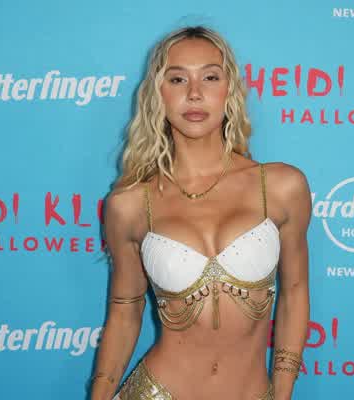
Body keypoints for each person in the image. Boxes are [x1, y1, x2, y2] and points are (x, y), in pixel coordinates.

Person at [90, 25, 311, 400]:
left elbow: (294, 290)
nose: (194, 93)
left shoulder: (280, 186)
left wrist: (283, 391)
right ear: (158, 94)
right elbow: (124, 313)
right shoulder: (129, 204)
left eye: (210, 77)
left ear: (230, 90)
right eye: (177, 79)